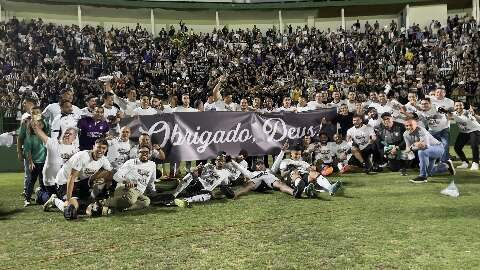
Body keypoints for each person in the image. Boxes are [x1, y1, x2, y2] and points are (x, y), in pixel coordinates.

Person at [46, 139, 113, 219]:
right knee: (71, 210)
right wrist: (68, 200)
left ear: (106, 150)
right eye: (98, 147)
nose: (100, 150)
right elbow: (71, 177)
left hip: (80, 182)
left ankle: (88, 201)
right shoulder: (82, 156)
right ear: (93, 147)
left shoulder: (103, 160)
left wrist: (103, 179)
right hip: (64, 182)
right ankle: (55, 200)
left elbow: (109, 173)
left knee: (88, 207)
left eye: (103, 148)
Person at [30, 120, 79, 206]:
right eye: (66, 132)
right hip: (50, 179)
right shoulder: (52, 142)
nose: (67, 134)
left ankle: (43, 193)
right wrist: (35, 121)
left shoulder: (76, 150)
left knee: (61, 200)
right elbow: (37, 130)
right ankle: (40, 193)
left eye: (70, 134)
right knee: (52, 199)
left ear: (74, 138)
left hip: (63, 181)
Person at [100, 145, 156, 212]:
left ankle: (123, 209)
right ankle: (102, 202)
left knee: (146, 201)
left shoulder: (152, 165)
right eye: (142, 152)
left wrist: (153, 191)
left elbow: (151, 181)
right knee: (131, 200)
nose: (144, 154)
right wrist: (126, 181)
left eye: (146, 152)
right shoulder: (131, 162)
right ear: (138, 153)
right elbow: (116, 176)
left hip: (138, 192)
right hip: (125, 187)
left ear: (150, 154)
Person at [403, 119, 446, 183]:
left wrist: (413, 147)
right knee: (429, 172)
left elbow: (425, 146)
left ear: (416, 125)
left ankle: (422, 177)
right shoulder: (405, 134)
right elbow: (408, 147)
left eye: (410, 125)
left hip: (438, 148)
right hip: (428, 152)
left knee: (422, 151)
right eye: (406, 126)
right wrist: (405, 154)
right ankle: (446, 166)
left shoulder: (421, 130)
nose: (408, 127)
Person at [450, 102, 480, 170]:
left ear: (463, 106)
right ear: (454, 107)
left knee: (474, 146)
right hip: (464, 132)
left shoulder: (468, 112)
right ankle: (465, 162)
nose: (459, 107)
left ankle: (475, 163)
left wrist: (474, 114)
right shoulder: (453, 114)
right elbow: (448, 117)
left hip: (474, 130)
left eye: (460, 105)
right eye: (456, 105)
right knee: (457, 147)